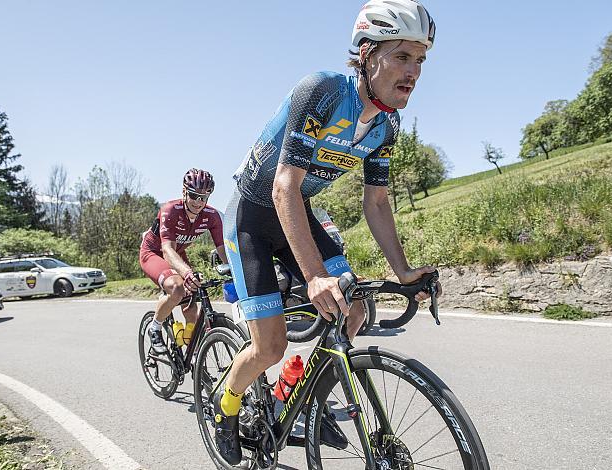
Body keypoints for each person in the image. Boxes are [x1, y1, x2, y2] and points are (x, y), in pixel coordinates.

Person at [217, 0, 440, 464]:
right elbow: (283, 188)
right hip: (255, 216)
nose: (413, 70)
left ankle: (291, 398)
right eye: (402, 56)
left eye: (420, 59)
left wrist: (402, 272)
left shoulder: (387, 126)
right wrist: (315, 275)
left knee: (355, 309)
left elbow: (376, 202)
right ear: (366, 52)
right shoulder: (321, 91)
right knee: (270, 345)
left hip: (299, 214)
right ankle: (226, 407)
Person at [140, 168, 227, 354]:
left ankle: (192, 351)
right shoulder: (170, 210)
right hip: (154, 253)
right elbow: (167, 250)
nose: (199, 202)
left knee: (191, 304)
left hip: (178, 255)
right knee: (178, 287)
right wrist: (186, 273)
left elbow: (222, 250)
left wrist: (235, 272)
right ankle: (154, 327)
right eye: (194, 196)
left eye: (204, 197)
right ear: (184, 192)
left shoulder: (211, 216)